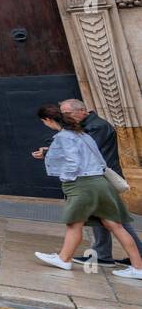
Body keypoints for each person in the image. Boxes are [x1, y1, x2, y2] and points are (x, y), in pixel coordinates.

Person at [33, 104, 142, 279]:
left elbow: (73, 162)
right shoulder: (81, 134)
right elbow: (98, 158)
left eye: (44, 122)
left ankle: (64, 259)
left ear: (48, 120)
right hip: (99, 182)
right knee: (115, 225)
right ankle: (138, 267)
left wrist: (66, 177)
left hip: (83, 184)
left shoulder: (64, 137)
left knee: (74, 223)